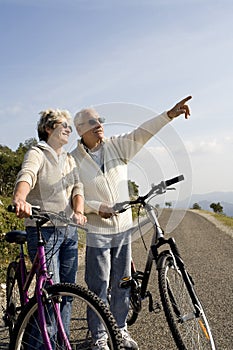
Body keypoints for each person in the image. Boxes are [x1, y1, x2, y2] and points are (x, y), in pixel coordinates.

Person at [71, 96, 192, 350]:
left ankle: (120, 330)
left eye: (100, 120)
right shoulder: (74, 160)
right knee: (98, 285)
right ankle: (99, 336)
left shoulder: (117, 147)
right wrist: (94, 208)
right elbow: (73, 193)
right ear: (81, 129)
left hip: (123, 228)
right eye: (92, 122)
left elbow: (141, 134)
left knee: (123, 282)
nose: (99, 124)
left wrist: (167, 115)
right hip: (97, 231)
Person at [12, 109, 87, 342]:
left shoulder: (70, 159)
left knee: (67, 294)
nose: (68, 129)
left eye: (70, 126)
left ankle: (60, 343)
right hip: (43, 229)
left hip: (68, 231)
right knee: (50, 294)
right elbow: (27, 175)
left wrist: (79, 210)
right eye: (63, 124)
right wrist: (20, 198)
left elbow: (77, 187)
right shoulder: (37, 152)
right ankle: (39, 344)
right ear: (48, 128)